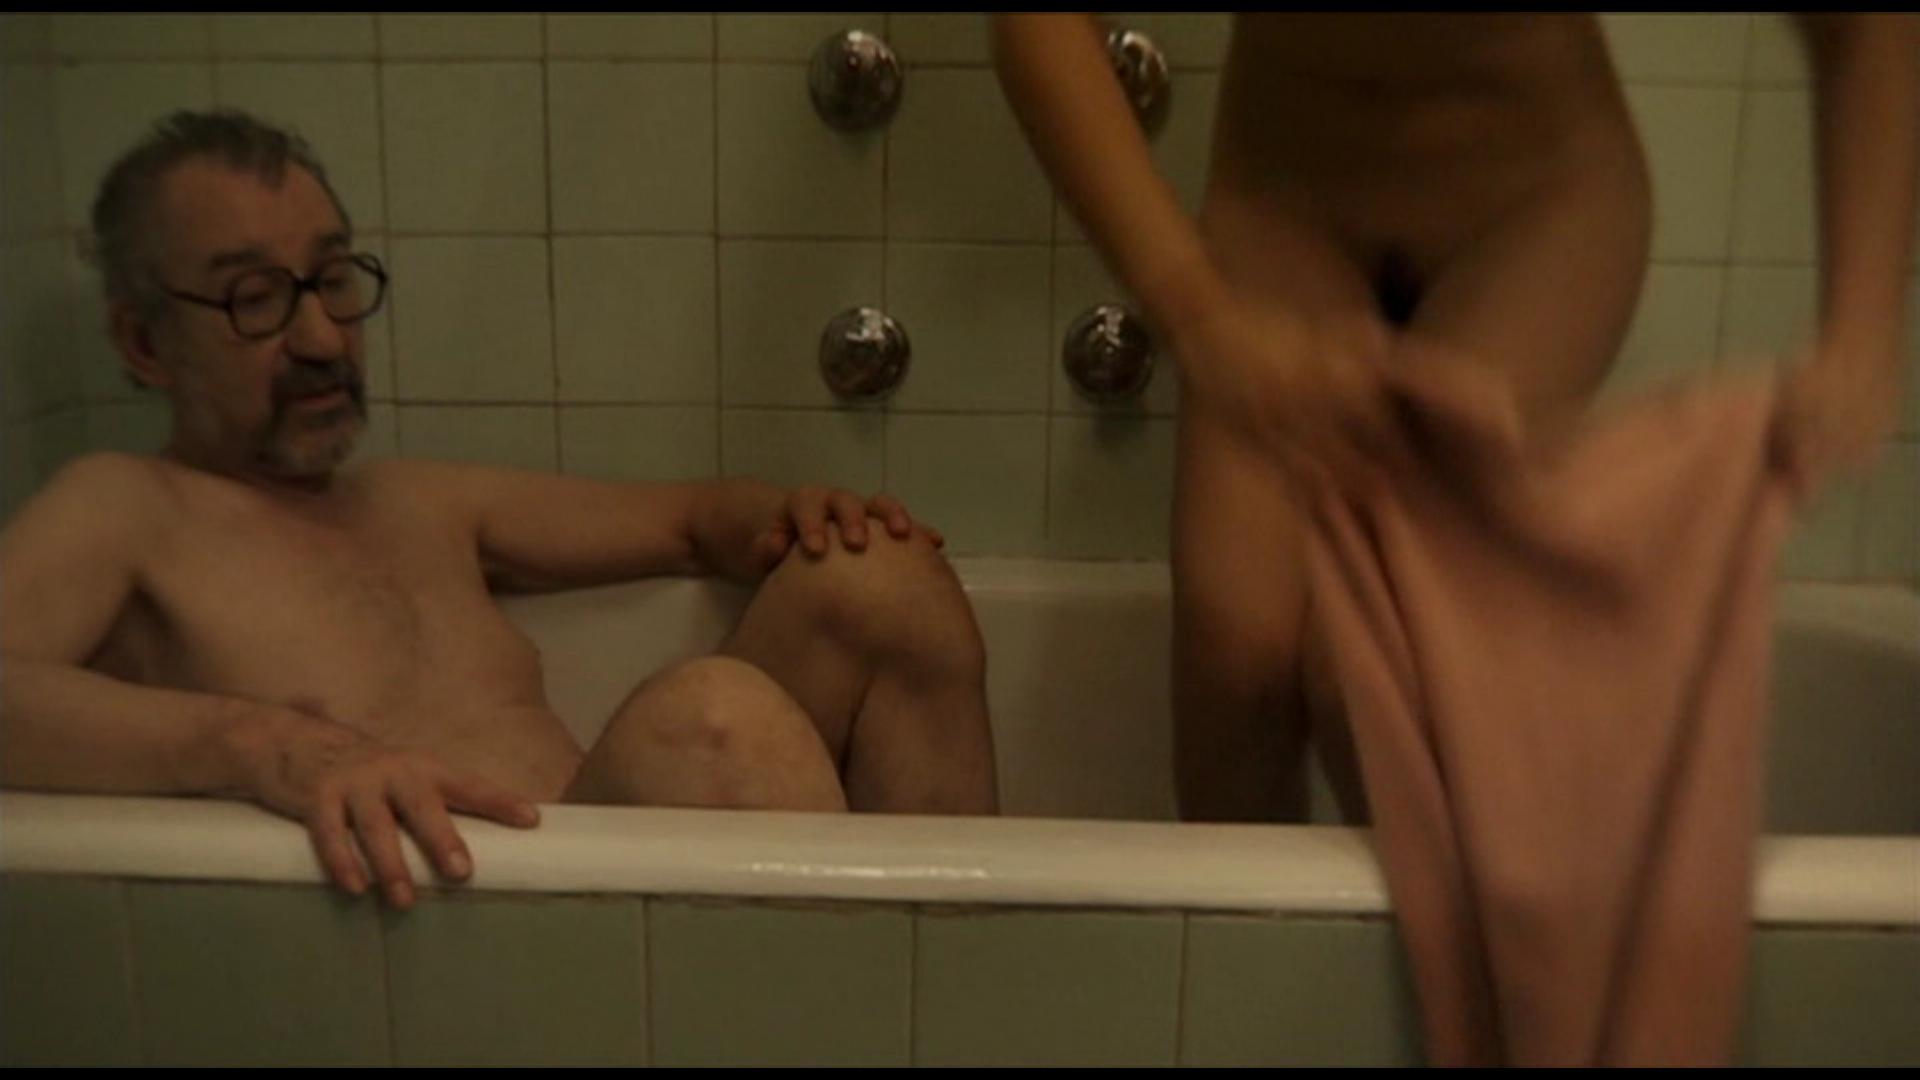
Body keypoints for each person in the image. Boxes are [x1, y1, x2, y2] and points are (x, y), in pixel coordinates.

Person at [0, 110, 1000, 910]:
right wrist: (261, 749)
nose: (322, 337)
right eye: (255, 298)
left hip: (596, 890)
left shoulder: (415, 501)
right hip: (447, 932)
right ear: (144, 343)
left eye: (334, 281)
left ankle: (947, 1001)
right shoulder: (127, 507)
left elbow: (694, 522)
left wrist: (789, 516)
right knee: (711, 723)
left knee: (880, 575)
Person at [993, 14, 1917, 822]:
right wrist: (1199, 318)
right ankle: (1226, 957)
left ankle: (1440, 956)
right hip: (1285, 214)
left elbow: (1864, 27)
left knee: (1375, 667)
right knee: (1238, 660)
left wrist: (1862, 336)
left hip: (1532, 218)